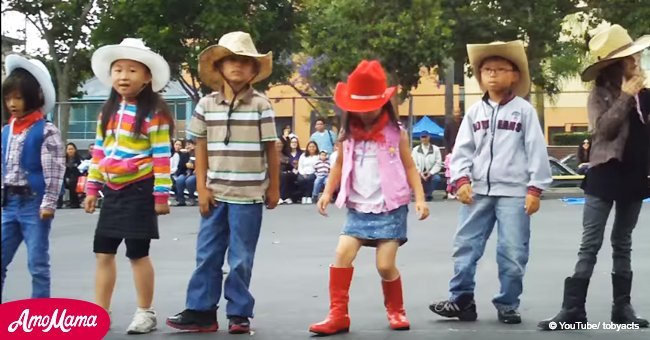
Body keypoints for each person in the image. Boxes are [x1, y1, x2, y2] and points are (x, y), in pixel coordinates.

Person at [428, 40, 552, 324]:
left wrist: (535, 188)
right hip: (478, 192)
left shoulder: (523, 111)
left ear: (515, 75)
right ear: (480, 76)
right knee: (465, 245)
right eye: (486, 70)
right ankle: (461, 300)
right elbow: (462, 150)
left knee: (512, 250)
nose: (492, 74)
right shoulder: (474, 112)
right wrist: (460, 180)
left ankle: (508, 302)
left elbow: (536, 150)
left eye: (500, 69)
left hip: (514, 192)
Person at [166, 31, 280, 334]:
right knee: (207, 253)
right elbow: (200, 147)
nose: (238, 67)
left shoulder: (261, 105)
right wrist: (201, 187)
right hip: (215, 193)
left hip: (249, 193)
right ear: (219, 67)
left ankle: (239, 312)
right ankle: (201, 310)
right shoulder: (206, 104)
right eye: (231, 60)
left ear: (254, 69)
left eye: (245, 62)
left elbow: (271, 147)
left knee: (241, 257)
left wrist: (274, 186)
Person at [539, 24, 649, 330]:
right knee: (591, 242)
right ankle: (573, 308)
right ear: (615, 64)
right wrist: (625, 96)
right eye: (630, 57)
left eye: (636, 55)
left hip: (636, 175)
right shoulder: (599, 94)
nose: (636, 60)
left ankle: (622, 308)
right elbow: (604, 130)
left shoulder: (646, 95)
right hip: (604, 173)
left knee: (622, 241)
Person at [309, 60, 429, 336]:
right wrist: (327, 192)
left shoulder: (396, 132)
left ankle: (396, 310)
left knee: (385, 265)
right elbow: (338, 165)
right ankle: (338, 315)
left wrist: (420, 198)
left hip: (390, 207)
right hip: (359, 207)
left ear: (383, 104)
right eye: (358, 109)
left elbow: (410, 166)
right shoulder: (347, 134)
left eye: (370, 108)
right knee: (341, 254)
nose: (364, 114)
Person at [84, 38, 174, 334]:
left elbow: (162, 156)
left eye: (132, 70)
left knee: (137, 252)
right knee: (103, 252)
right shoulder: (106, 113)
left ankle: (145, 312)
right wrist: (92, 188)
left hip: (139, 189)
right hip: (112, 190)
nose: (124, 76)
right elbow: (99, 151)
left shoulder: (154, 113)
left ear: (147, 77)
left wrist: (161, 194)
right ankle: (99, 311)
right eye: (118, 69)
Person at [1, 54, 65, 300]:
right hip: (9, 204)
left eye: (18, 97)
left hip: (33, 204)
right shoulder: (7, 130)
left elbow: (55, 169)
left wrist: (49, 202)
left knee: (37, 264)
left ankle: (39, 315)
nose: (12, 103)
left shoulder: (46, 130)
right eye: (8, 98)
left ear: (35, 96)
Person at [411, 132, 443, 201]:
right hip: (419, 173)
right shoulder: (415, 150)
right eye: (422, 137)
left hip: (431, 172)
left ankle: (428, 194)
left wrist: (430, 173)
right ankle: (420, 193)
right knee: (414, 178)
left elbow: (438, 163)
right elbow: (414, 163)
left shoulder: (436, 149)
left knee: (436, 178)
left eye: (425, 137)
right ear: (420, 138)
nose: (424, 139)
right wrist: (420, 173)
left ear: (429, 137)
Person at [59, 142, 83, 209]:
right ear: (66, 151)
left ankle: (74, 203)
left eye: (72, 149)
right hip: (65, 178)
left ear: (75, 150)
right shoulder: (63, 160)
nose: (70, 151)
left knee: (73, 182)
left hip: (77, 179)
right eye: (69, 149)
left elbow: (81, 171)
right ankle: (59, 203)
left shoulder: (79, 159)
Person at [174, 139, 197, 206]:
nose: (187, 147)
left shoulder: (198, 154)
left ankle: (192, 198)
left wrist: (194, 166)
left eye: (189, 144)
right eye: (186, 145)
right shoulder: (184, 155)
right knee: (179, 180)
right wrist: (185, 165)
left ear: (194, 145)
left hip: (195, 173)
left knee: (189, 181)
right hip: (185, 173)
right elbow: (180, 167)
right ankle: (181, 200)